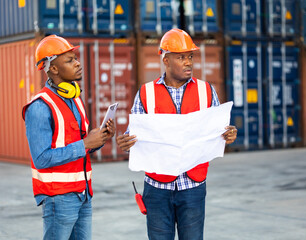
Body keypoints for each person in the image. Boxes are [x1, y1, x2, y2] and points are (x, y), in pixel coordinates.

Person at [117, 29, 237, 240]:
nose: (188, 62)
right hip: (157, 189)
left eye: (190, 56)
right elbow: (134, 133)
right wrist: (126, 141)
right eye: (181, 57)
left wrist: (228, 134)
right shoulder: (146, 93)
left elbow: (219, 130)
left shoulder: (206, 91)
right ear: (165, 59)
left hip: (193, 187)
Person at [22, 35, 115, 240]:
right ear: (53, 69)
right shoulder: (39, 107)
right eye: (69, 60)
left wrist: (100, 139)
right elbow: (42, 158)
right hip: (59, 198)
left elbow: (82, 147)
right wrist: (84, 144)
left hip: (84, 194)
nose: (78, 63)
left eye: (75, 58)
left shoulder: (76, 100)